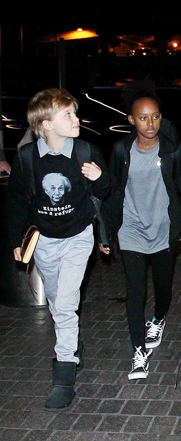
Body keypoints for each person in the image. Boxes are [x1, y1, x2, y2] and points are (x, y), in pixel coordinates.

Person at [8, 88, 110, 411]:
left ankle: (63, 376)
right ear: (46, 124)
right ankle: (73, 343)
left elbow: (106, 192)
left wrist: (100, 178)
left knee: (65, 304)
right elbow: (17, 202)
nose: (76, 119)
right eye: (68, 114)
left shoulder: (85, 151)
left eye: (74, 112)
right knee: (56, 302)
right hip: (45, 242)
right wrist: (15, 241)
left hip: (78, 237)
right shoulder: (27, 159)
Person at [100, 79, 181, 380]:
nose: (150, 123)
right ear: (131, 120)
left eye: (155, 116)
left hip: (163, 230)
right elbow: (113, 192)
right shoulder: (121, 150)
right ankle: (138, 351)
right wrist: (105, 232)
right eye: (143, 118)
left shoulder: (171, 150)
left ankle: (158, 319)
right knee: (135, 291)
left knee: (163, 288)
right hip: (131, 228)